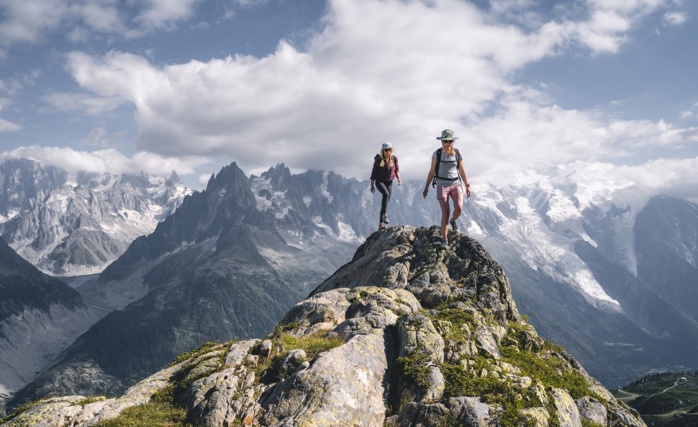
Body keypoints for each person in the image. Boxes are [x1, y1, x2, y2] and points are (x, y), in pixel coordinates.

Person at [422, 129, 471, 247]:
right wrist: (426, 187)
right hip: (441, 185)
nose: (447, 143)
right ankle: (445, 239)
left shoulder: (457, 153)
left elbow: (462, 170)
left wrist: (467, 185)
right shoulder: (437, 154)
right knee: (445, 212)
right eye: (445, 141)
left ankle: (453, 221)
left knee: (459, 208)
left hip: (455, 184)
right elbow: (431, 172)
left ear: (453, 142)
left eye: (450, 141)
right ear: (442, 142)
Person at [370, 142, 402, 229]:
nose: (388, 152)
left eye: (389, 150)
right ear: (383, 151)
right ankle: (385, 215)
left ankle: (381, 224)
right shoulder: (378, 160)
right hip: (379, 182)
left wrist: (399, 179)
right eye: (386, 150)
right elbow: (373, 173)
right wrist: (372, 185)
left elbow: (397, 170)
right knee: (386, 194)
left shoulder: (394, 159)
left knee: (385, 203)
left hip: (389, 182)